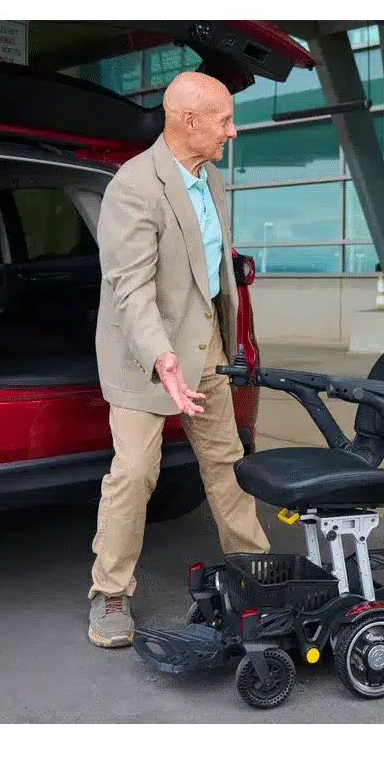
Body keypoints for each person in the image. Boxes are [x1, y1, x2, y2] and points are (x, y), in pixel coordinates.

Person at [87, 72, 271, 648]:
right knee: (135, 472)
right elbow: (131, 288)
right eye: (224, 120)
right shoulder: (135, 186)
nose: (232, 131)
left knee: (226, 459)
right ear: (188, 121)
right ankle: (110, 592)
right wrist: (162, 357)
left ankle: (255, 568)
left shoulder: (209, 177)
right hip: (146, 354)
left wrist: (224, 341)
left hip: (204, 348)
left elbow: (211, 271)